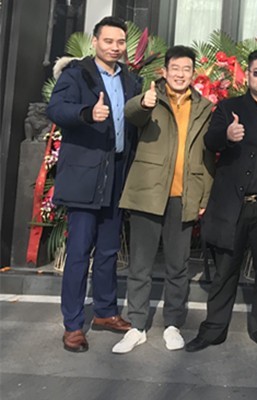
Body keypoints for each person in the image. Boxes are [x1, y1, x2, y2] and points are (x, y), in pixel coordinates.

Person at [185, 49, 257, 354]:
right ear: (247, 75)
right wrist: (227, 135)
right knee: (224, 273)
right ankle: (213, 329)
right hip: (231, 207)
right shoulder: (228, 108)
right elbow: (209, 142)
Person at [111, 46, 214, 354]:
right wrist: (143, 102)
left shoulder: (204, 107)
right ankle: (137, 326)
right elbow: (132, 114)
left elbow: (208, 156)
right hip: (148, 193)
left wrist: (204, 195)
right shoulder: (151, 98)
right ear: (165, 72)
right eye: (175, 68)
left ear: (193, 73)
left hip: (184, 195)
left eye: (186, 69)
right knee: (140, 265)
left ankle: (173, 324)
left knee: (178, 266)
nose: (180, 74)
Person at [46, 16, 141, 352]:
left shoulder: (131, 79)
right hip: (85, 173)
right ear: (95, 41)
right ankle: (73, 325)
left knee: (109, 249)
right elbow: (56, 109)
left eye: (120, 42)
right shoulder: (77, 74)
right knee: (78, 252)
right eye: (108, 41)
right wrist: (87, 113)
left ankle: (105, 311)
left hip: (117, 172)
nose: (115, 47)